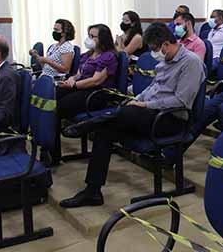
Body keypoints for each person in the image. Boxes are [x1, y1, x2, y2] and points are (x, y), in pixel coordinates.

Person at [59, 23, 205, 208]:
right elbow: (152, 88)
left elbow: (181, 101)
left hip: (170, 119)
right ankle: (92, 191)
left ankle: (88, 125)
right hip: (147, 114)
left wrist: (145, 105)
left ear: (166, 44)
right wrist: (136, 100)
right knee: (106, 130)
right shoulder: (166, 60)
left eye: (154, 49)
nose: (154, 53)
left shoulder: (191, 62)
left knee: (127, 112)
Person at [55, 24, 118, 161]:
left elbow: (96, 80)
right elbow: (78, 74)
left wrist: (74, 85)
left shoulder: (109, 56)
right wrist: (71, 79)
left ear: (103, 39)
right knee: (53, 95)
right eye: (89, 35)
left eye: (93, 36)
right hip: (81, 88)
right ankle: (50, 147)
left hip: (97, 93)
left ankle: (54, 151)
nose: (89, 39)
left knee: (61, 106)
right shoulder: (87, 55)